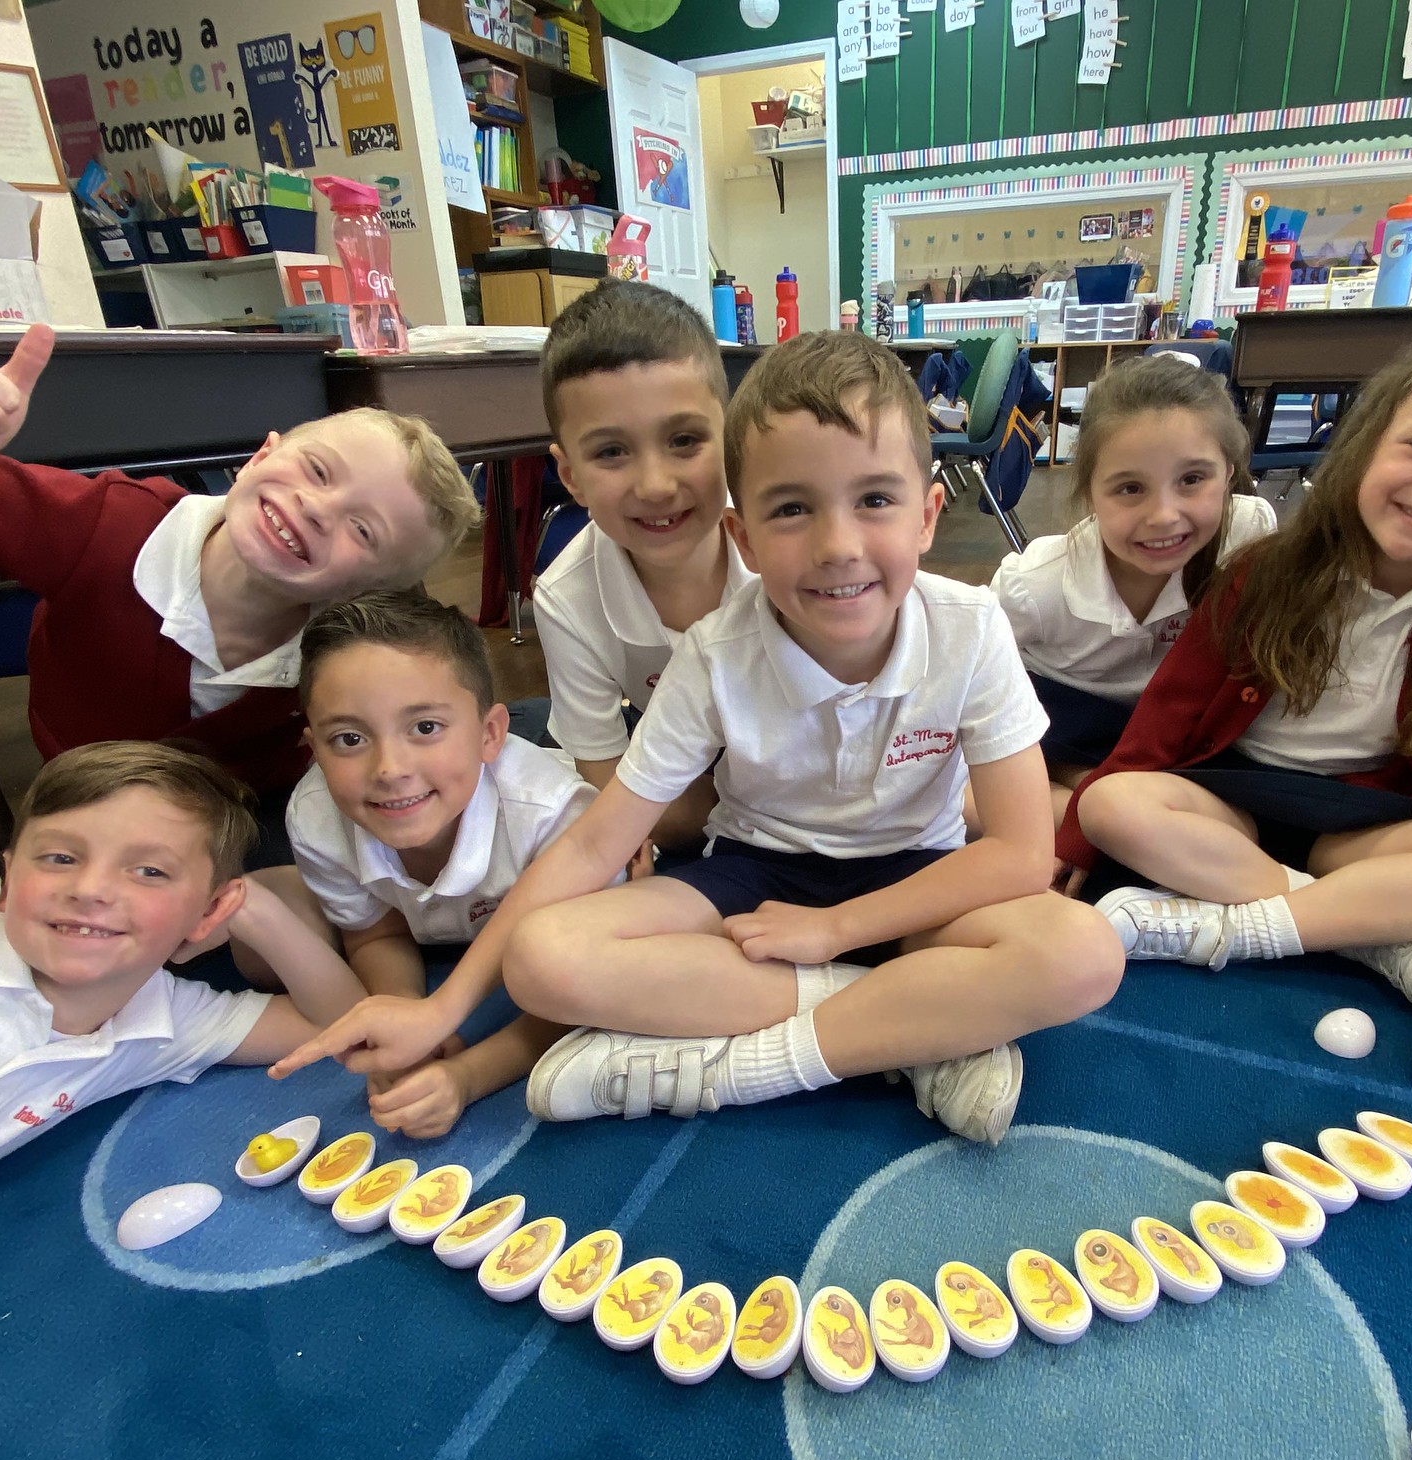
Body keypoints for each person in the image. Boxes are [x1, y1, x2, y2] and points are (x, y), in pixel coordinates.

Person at [273, 331, 1124, 1143]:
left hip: (916, 880)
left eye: (874, 500)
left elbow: (1016, 854)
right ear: (744, 536)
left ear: (929, 514)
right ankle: (918, 1029)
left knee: (1085, 952)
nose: (837, 546)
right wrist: (442, 1007)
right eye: (792, 509)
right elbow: (589, 847)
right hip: (754, 873)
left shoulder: (971, 628)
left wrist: (834, 932)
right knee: (543, 959)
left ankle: (754, 1064)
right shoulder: (715, 653)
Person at [1056, 329, 1412, 1009]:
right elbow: (1169, 712)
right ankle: (1364, 932)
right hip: (1232, 810)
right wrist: (1079, 836)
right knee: (1109, 802)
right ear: (1367, 445)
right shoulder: (1270, 568)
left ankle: (1249, 925)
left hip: (1365, 829)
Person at [0, 324, 478, 796]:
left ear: (367, 592)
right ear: (262, 455)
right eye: (318, 470)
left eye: (363, 530)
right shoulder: (106, 527)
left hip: (242, 820)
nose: (316, 509)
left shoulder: (345, 651)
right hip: (86, 803)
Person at [0, 742, 363, 1251]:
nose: (89, 890)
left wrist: (256, 912)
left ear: (212, 910)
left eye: (148, 871)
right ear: (10, 877)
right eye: (60, 858)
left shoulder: (160, 1023)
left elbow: (345, 1024)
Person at [273, 591, 595, 1137]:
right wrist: (402, 1012)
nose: (390, 768)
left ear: (490, 734)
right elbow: (376, 935)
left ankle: (535, 718)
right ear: (313, 749)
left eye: (424, 728)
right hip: (454, 918)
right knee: (264, 945)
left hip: (555, 876)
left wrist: (468, 1076)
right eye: (349, 738)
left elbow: (579, 987)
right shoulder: (315, 819)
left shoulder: (551, 814)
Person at [990, 354, 1277, 822]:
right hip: (1059, 718)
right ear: (1090, 490)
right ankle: (1074, 790)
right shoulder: (1035, 583)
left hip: (1173, 730)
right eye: (1129, 488)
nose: (1163, 515)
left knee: (1230, 817)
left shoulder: (1246, 537)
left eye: (1192, 479)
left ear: (1228, 473)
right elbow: (961, 670)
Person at [535, 280, 756, 866]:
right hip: (704, 776)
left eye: (684, 440)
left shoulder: (784, 549)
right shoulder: (566, 598)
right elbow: (610, 797)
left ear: (730, 438)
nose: (655, 486)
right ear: (570, 475)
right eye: (611, 452)